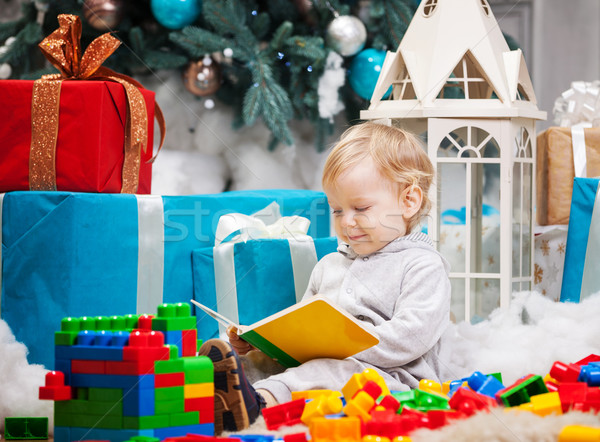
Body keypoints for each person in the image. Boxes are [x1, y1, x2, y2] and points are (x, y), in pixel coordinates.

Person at [198, 122, 451, 434]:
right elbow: (302, 326)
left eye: (360, 208)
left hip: (395, 382)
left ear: (408, 201)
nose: (347, 222)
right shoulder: (329, 264)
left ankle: (257, 404)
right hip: (325, 365)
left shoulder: (422, 265)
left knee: (328, 369)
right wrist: (259, 342)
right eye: (337, 210)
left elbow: (410, 339)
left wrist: (342, 347)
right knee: (266, 366)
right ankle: (220, 390)